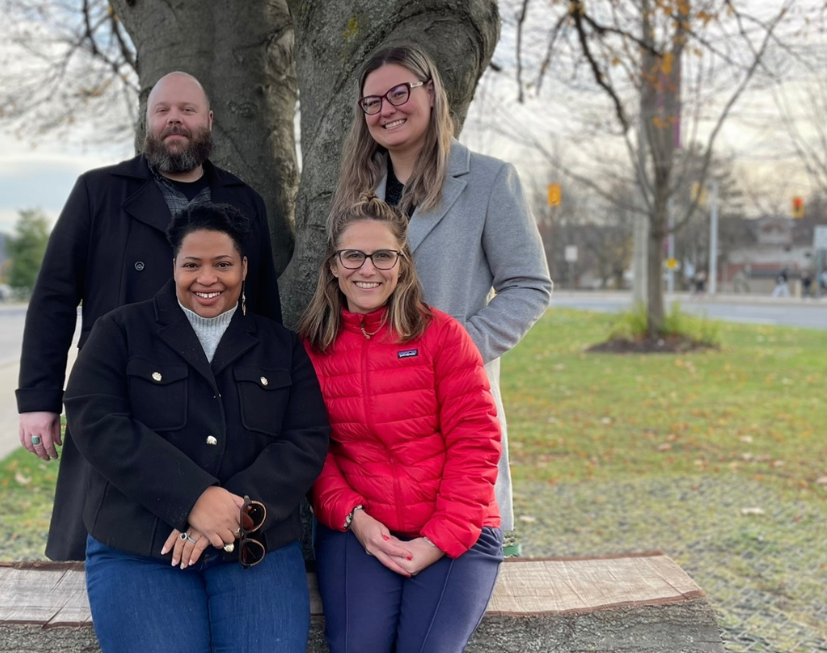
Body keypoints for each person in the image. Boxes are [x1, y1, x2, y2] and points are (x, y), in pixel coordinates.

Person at [16, 71, 283, 561]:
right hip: (117, 392)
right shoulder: (99, 192)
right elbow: (54, 297)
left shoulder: (244, 201)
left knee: (214, 536)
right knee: (110, 538)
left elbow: (264, 311)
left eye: (185, 109)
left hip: (215, 393)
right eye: (162, 111)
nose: (173, 119)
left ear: (208, 120)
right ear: (148, 121)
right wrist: (38, 398)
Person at [64, 203, 330, 653]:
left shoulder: (280, 346)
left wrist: (232, 512)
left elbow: (305, 439)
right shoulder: (120, 332)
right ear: (174, 267)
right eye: (192, 265)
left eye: (223, 264)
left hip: (254, 547)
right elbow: (96, 420)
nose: (207, 278)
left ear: (244, 268)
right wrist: (194, 498)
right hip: (142, 547)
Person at [330, 43, 551, 533]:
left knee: (456, 540)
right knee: (378, 548)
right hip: (371, 416)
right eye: (373, 101)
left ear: (432, 93)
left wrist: (458, 351)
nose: (387, 109)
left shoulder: (491, 181)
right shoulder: (352, 190)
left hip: (451, 405)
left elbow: (529, 285)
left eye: (400, 92)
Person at [299, 194, 502, 653]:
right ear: (333, 265)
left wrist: (438, 540)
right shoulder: (312, 348)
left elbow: (476, 442)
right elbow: (314, 451)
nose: (367, 268)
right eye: (353, 255)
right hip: (363, 527)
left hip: (456, 527)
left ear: (402, 263)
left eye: (383, 255)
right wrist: (355, 519)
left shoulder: (442, 336)